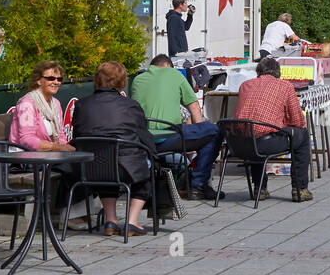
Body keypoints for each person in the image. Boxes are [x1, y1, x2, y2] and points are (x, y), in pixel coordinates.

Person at [71, 61, 160, 236]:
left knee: (106, 163)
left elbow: (77, 135)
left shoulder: (82, 105)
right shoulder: (130, 105)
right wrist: (153, 154)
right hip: (127, 168)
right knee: (148, 169)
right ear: (122, 82)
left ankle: (111, 220)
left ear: (96, 80)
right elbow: (143, 136)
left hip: (91, 168)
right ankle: (132, 222)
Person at [9, 60, 92, 231]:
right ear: (39, 80)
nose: (56, 82)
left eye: (59, 79)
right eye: (50, 78)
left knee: (86, 161)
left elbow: (60, 135)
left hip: (46, 155)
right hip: (23, 158)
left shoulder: (55, 104)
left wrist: (65, 146)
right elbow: (27, 140)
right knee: (72, 166)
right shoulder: (27, 104)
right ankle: (68, 215)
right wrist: (59, 148)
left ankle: (74, 211)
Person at [130, 54, 222, 200]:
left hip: (142, 140)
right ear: (167, 65)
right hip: (167, 137)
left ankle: (188, 179)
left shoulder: (137, 79)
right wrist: (201, 136)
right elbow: (194, 107)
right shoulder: (175, 74)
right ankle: (197, 184)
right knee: (214, 132)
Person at [234, 57, 313, 202]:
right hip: (263, 143)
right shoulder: (285, 86)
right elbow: (297, 120)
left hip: (240, 145)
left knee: (255, 131)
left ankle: (260, 188)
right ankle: (300, 188)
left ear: (258, 72)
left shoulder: (245, 85)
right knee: (302, 136)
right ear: (278, 72)